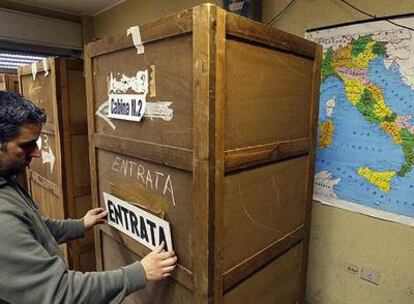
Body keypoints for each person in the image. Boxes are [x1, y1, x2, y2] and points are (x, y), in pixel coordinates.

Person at [0, 91, 177, 304]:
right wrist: (139, 272)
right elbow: (60, 293)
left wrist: (80, 224)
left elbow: (34, 228)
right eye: (26, 145)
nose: (37, 153)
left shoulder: (6, 180)